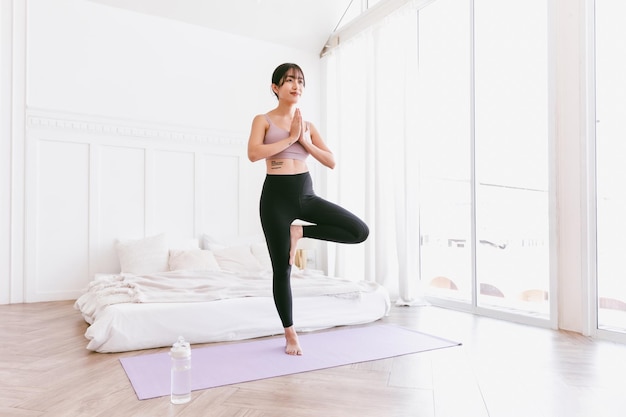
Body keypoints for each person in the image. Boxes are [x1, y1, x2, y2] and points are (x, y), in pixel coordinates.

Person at [247, 63, 369, 355]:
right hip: (275, 198)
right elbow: (253, 153)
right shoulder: (262, 120)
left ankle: (298, 230)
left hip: (304, 193)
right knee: (282, 270)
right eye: (289, 80)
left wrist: (303, 141)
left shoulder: (308, 126)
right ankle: (290, 334)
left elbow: (330, 160)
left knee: (358, 231)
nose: (296, 86)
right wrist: (289, 139)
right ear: (276, 87)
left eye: (300, 81)